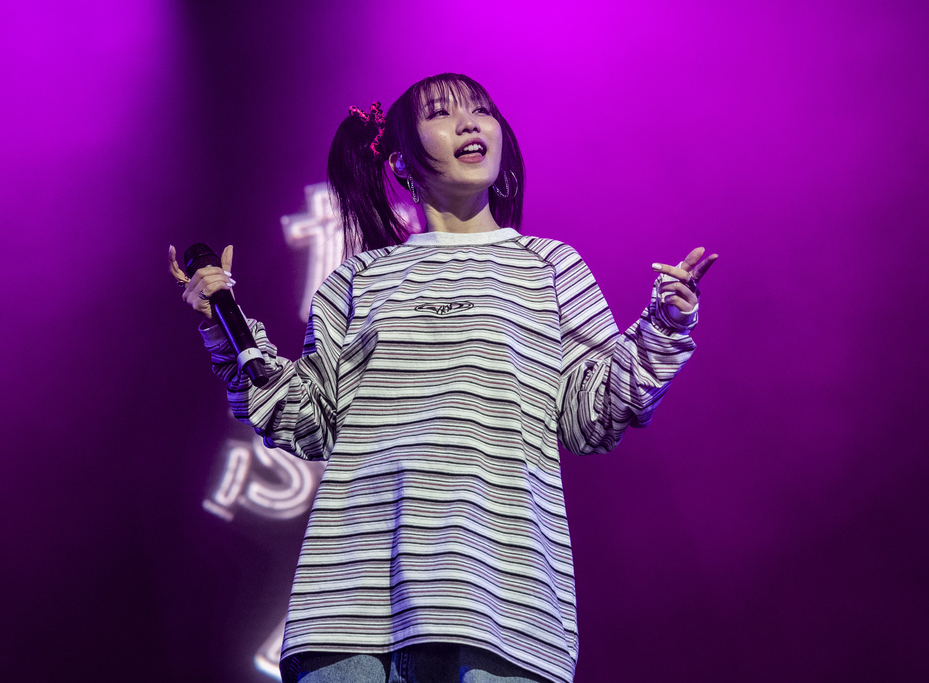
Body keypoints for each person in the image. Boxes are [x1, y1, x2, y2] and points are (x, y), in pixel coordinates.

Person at [169, 73, 717, 683]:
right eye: (443, 114)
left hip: (503, 602)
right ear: (401, 162)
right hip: (349, 603)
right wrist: (227, 330)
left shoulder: (549, 267)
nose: (470, 123)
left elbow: (591, 415)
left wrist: (665, 323)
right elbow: (308, 420)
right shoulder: (358, 280)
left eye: (482, 111)